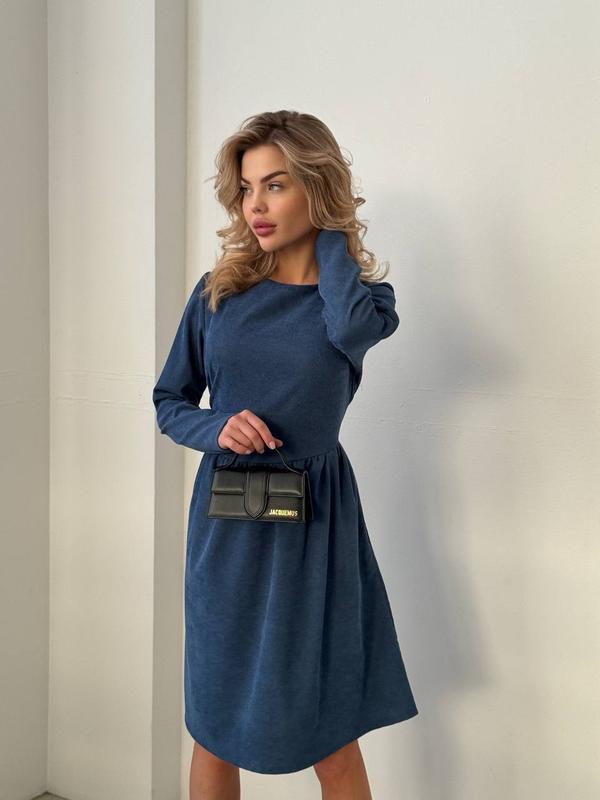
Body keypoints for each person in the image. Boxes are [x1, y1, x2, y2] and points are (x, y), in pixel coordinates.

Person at [152, 109, 418, 799]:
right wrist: (217, 429)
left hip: (315, 532)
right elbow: (169, 401)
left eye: (276, 185)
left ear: (315, 187)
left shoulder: (362, 302)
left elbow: (350, 329)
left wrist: (332, 235)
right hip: (227, 527)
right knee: (214, 725)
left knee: (332, 731)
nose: (256, 206)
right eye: (247, 189)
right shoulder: (218, 294)